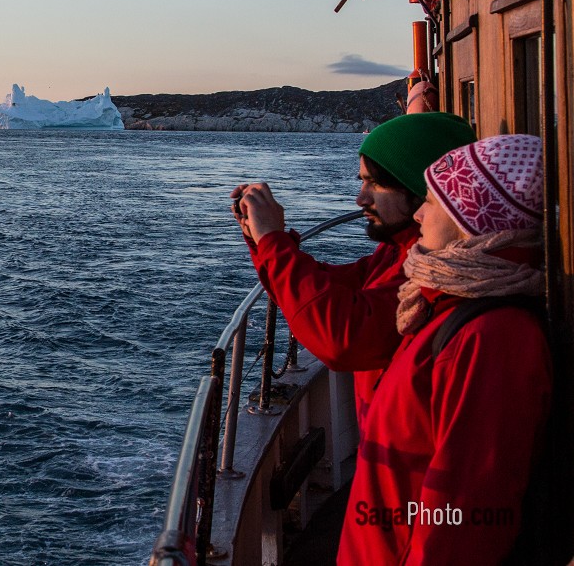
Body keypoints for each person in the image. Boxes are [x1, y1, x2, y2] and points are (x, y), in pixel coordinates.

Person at [337, 133, 550, 565]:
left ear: (467, 217)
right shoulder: (444, 303)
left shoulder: (492, 337)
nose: (417, 212)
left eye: (431, 200)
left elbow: (466, 514)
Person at [232, 112, 475, 428]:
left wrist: (273, 241)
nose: (361, 198)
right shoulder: (397, 250)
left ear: (418, 188)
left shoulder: (436, 269)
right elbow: (339, 286)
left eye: (374, 183)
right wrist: (263, 242)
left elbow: (344, 338)